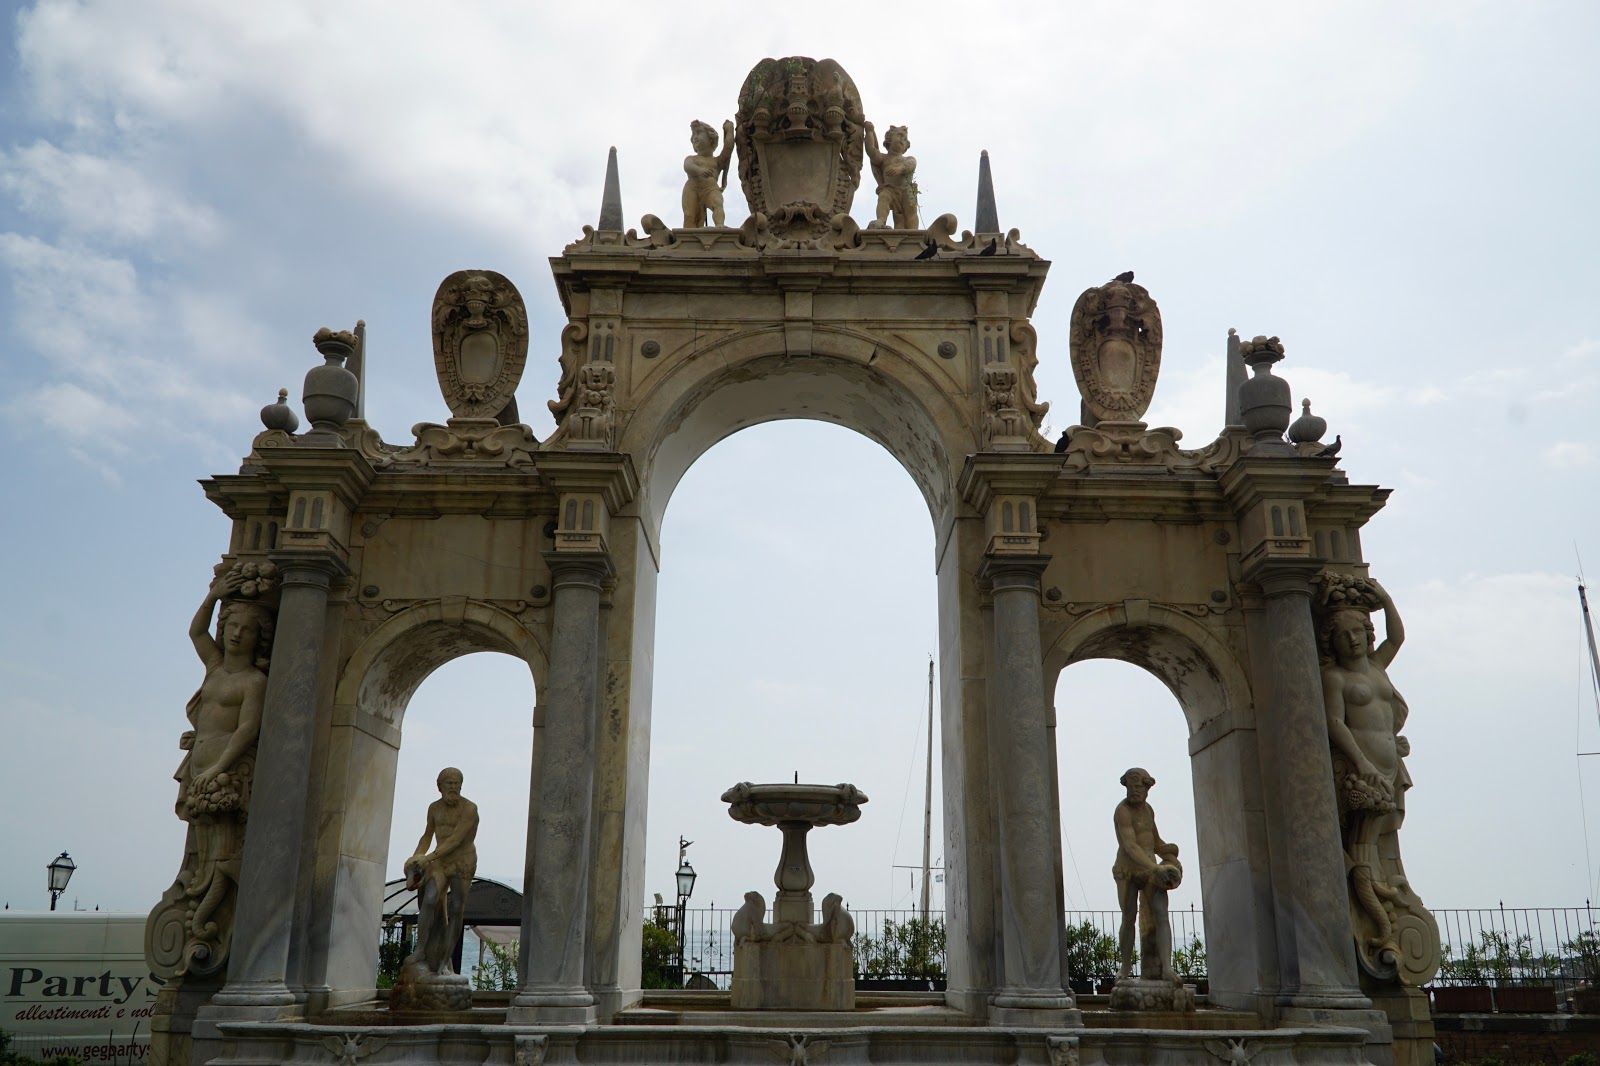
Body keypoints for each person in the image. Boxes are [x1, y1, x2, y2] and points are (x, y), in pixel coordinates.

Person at [1319, 576, 1410, 955]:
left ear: (1367, 633)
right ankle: (1381, 929)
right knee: (1361, 850)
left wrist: (1384, 598)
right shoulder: (1333, 677)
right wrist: (1359, 761)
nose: (1353, 639)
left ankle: (1384, 911)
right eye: (1344, 635)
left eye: (1358, 631)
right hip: (1362, 771)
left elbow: (1398, 638)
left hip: (1389, 767)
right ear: (1331, 642)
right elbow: (1334, 722)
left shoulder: (1377, 666)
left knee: (1374, 848)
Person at [404, 768, 480, 974]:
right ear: (439, 787)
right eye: (449, 783)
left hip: (462, 861)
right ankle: (421, 949)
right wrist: (416, 857)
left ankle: (445, 961)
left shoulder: (469, 809)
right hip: (439, 860)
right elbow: (427, 835)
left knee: (456, 910)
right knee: (429, 900)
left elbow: (456, 840)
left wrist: (427, 858)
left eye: (457, 783)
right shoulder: (434, 808)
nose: (454, 787)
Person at [1111, 767, 1182, 983]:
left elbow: (1154, 841)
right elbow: (1130, 846)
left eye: (1139, 788)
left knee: (1161, 914)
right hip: (1128, 869)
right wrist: (1154, 869)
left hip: (1151, 867)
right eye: (1131, 788)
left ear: (1147, 788)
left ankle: (1167, 968)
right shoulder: (1122, 811)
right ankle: (1124, 968)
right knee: (1128, 917)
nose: (1135, 792)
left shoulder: (1148, 810)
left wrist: (1169, 850)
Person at [863, 122, 918, 229]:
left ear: (907, 146)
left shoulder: (907, 159)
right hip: (889, 189)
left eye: (905, 139)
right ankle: (881, 220)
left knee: (910, 209)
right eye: (900, 136)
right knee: (883, 197)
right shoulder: (884, 158)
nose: (903, 140)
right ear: (889, 139)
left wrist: (900, 168)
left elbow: (912, 164)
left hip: (905, 189)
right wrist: (869, 132)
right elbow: (871, 151)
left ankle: (913, 229)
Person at [682, 119, 736, 227]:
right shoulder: (692, 159)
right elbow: (687, 166)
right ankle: (689, 236)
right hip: (692, 188)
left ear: (711, 138)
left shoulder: (717, 161)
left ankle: (720, 225)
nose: (695, 137)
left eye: (698, 133)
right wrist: (699, 170)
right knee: (690, 215)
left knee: (717, 203)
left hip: (710, 188)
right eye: (693, 135)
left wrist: (729, 130)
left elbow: (728, 148)